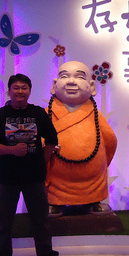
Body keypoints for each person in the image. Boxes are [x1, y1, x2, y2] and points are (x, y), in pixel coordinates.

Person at [0, 74, 62, 256]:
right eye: (16, 88)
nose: (20, 91)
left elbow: (52, 140)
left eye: (24, 87)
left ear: (29, 91)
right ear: (9, 91)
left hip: (35, 177)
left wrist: (41, 160)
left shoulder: (38, 113)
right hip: (7, 177)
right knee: (4, 222)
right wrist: (12, 150)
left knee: (41, 221)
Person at [45, 60, 117, 216]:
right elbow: (39, 138)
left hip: (93, 179)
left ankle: (93, 201)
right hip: (57, 179)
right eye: (65, 76)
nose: (71, 81)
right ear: (55, 85)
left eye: (79, 77)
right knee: (54, 189)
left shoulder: (95, 115)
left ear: (91, 87)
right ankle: (55, 202)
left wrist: (101, 163)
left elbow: (110, 141)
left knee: (94, 189)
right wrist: (46, 147)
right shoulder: (47, 113)